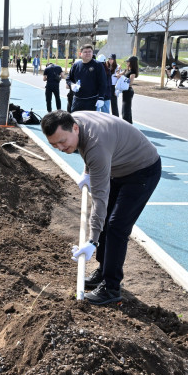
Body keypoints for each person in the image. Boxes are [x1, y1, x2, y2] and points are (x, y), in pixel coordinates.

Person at [40, 110, 161, 305]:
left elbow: (99, 198)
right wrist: (87, 171)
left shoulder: (96, 146)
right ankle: (103, 271)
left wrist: (92, 241)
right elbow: (86, 147)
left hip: (143, 170)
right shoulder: (73, 121)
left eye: (62, 141)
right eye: (54, 145)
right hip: (118, 167)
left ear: (75, 128)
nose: (60, 148)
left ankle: (111, 288)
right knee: (106, 221)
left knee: (116, 226)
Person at [68, 44, 107, 112]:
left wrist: (101, 98)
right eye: (85, 52)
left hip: (92, 100)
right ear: (80, 54)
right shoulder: (76, 65)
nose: (88, 53)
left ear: (92, 53)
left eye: (90, 52)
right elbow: (68, 79)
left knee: (89, 119)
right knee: (75, 118)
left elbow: (103, 82)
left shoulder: (98, 65)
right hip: (77, 100)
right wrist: (72, 85)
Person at [119, 56, 139, 124]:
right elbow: (118, 75)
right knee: (126, 108)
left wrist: (123, 80)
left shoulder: (132, 72)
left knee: (126, 108)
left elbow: (130, 83)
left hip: (128, 91)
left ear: (132, 63)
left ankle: (127, 122)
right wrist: (119, 70)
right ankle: (129, 122)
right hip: (125, 91)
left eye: (128, 61)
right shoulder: (126, 70)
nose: (127, 63)